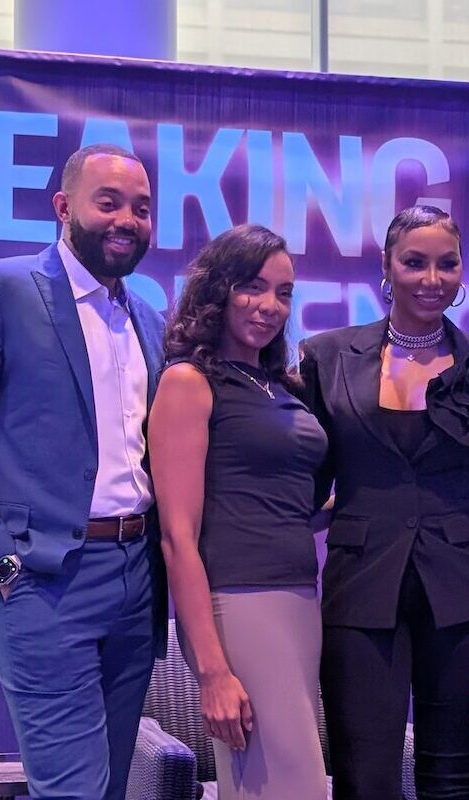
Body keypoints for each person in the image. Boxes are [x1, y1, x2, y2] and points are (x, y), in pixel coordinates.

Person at [0, 143, 166, 800]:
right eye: (108, 202)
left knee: (110, 789)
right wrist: (0, 569)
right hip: (42, 580)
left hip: (137, 580)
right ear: (63, 206)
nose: (127, 219)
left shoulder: (150, 319)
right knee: (74, 790)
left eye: (141, 208)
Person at [299, 205, 469, 799]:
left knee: (452, 781)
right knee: (364, 779)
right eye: (415, 263)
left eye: (446, 264)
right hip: (360, 589)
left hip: (466, 596)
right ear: (386, 267)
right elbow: (307, 478)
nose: (432, 279)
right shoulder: (325, 357)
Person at [148, 224, 328, 799]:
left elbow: (285, 504)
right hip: (241, 606)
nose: (270, 305)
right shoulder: (189, 382)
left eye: (283, 293)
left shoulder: (280, 387)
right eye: (253, 286)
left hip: (300, 603)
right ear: (218, 289)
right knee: (291, 789)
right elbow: (177, 538)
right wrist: (212, 672)